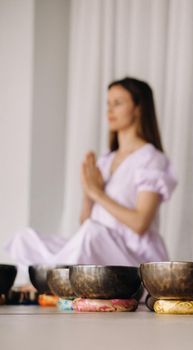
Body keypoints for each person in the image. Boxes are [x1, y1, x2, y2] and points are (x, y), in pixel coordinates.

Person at [5, 77, 176, 287]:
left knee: (91, 234)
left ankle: (50, 282)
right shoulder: (105, 160)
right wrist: (88, 192)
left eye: (118, 103)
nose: (110, 110)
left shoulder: (151, 158)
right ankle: (52, 279)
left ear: (139, 108)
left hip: (133, 260)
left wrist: (98, 193)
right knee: (25, 238)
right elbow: (85, 221)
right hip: (97, 250)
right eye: (108, 103)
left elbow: (140, 224)